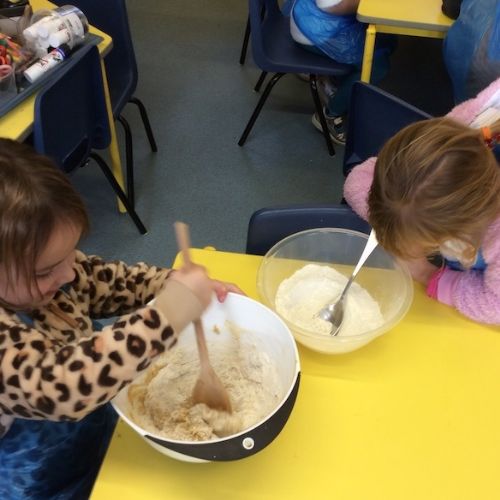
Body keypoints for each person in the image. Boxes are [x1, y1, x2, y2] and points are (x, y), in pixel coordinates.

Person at [0, 139, 242, 499]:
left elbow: (112, 283)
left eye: (71, 254)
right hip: (40, 484)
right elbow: (62, 385)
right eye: (47, 270)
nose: (69, 275)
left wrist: (167, 283)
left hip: (106, 442)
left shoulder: (52, 273)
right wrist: (169, 312)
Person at [343, 77, 500, 324]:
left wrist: (428, 275)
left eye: (429, 245)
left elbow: (495, 304)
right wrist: (394, 227)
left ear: (462, 231)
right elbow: (358, 180)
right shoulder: (459, 133)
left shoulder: (494, 233)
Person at [289, 0, 393, 144]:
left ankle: (339, 84)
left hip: (326, 22)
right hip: (316, 30)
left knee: (388, 38)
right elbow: (334, 6)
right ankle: (330, 114)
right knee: (377, 67)